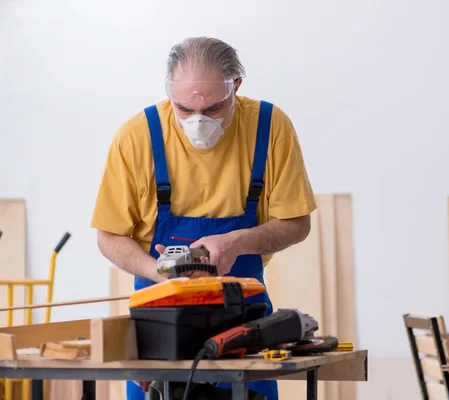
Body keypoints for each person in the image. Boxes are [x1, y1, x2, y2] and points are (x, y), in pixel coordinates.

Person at [90, 36, 317, 400]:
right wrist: (161, 272)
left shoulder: (270, 127)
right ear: (169, 91)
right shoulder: (137, 137)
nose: (198, 121)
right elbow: (109, 236)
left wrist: (237, 242)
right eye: (183, 109)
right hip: (159, 324)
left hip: (244, 326)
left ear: (236, 86)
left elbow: (297, 223)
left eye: (212, 110)